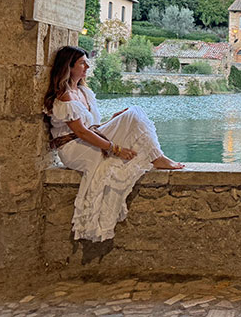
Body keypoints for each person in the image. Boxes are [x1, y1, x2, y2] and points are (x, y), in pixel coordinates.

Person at [44, 46, 184, 242]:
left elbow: (91, 126)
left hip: (88, 138)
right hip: (73, 148)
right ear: (69, 66)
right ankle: (158, 158)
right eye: (82, 63)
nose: (87, 66)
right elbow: (81, 132)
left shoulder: (83, 92)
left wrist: (113, 120)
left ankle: (157, 156)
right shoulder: (64, 96)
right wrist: (114, 149)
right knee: (133, 115)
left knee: (133, 113)